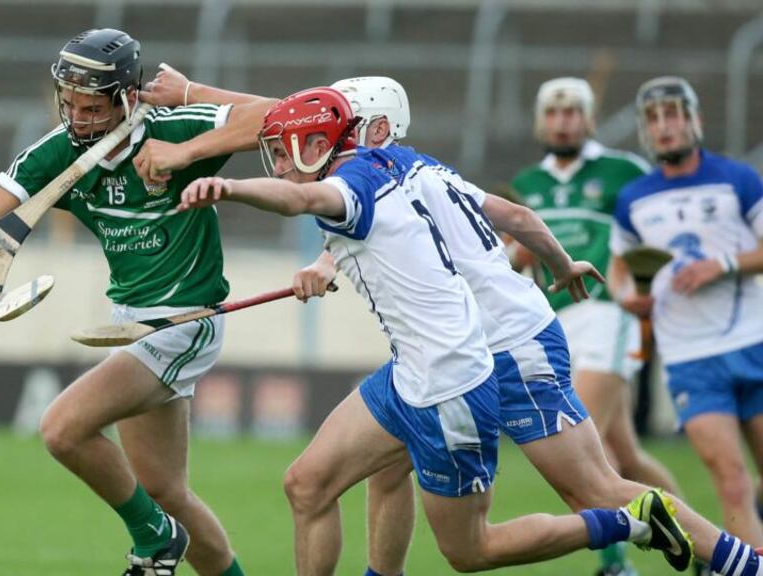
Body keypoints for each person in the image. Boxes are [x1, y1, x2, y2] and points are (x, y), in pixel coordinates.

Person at [176, 86, 694, 575]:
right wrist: (327, 261)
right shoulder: (399, 162)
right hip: (410, 372)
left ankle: (627, 521)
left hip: (449, 385)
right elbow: (385, 225)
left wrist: (231, 186)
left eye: (285, 152)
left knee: (470, 550)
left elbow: (306, 201)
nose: (280, 164)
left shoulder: (349, 183)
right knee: (307, 485)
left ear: (332, 142)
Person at [0, 28, 275, 576]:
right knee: (166, 492)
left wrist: (191, 110)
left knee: (62, 428)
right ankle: (166, 530)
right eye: (67, 102)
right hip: (130, 322)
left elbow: (289, 116)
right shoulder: (58, 153)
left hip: (182, 320)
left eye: (91, 106)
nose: (76, 117)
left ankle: (154, 541)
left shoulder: (173, 130)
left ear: (126, 98)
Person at [510, 76, 682, 576]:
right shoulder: (527, 184)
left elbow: (658, 234)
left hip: (609, 314)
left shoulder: (623, 170)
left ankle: (614, 562)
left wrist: (650, 290)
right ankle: (704, 541)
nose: (563, 122)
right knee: (625, 454)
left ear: (589, 117)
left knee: (581, 443)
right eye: (554, 112)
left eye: (573, 112)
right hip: (554, 326)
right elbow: (519, 255)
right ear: (541, 120)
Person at [609, 76, 763, 558]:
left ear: (694, 120)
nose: (664, 126)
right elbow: (618, 267)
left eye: (674, 114)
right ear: (644, 130)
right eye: (653, 119)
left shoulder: (737, 179)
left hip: (754, 340)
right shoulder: (634, 199)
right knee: (731, 481)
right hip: (691, 358)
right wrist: (625, 297)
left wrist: (723, 264)